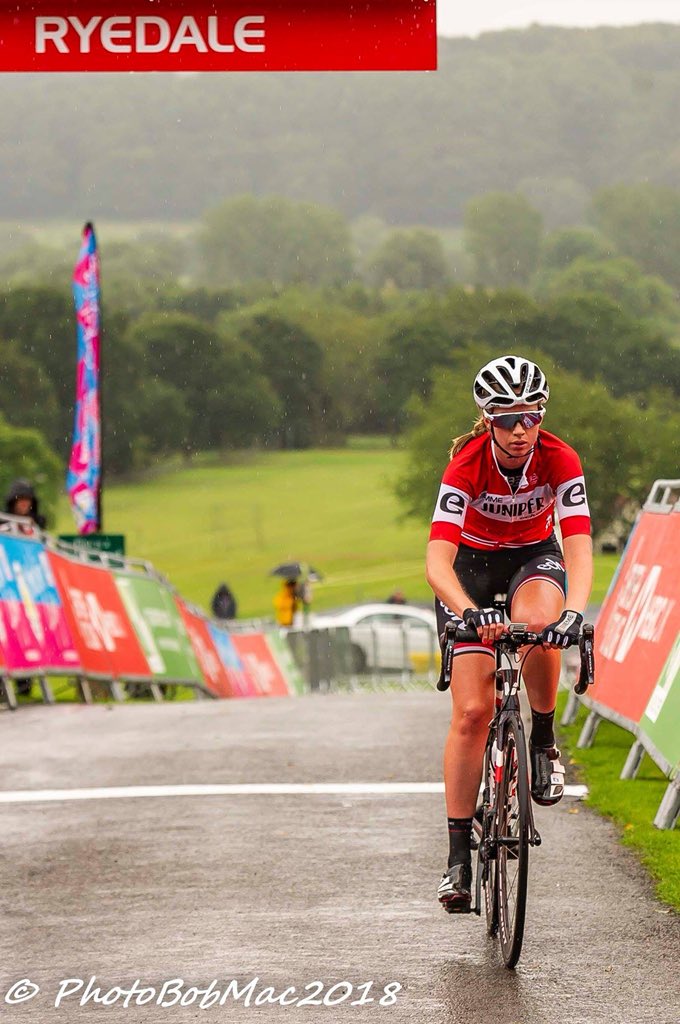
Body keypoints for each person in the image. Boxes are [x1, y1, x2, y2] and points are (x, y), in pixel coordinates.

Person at [425, 355, 592, 914]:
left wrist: (578, 610)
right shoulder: (466, 464)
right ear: (487, 420)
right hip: (469, 568)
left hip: (532, 559)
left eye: (531, 417)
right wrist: (467, 613)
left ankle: (542, 738)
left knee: (544, 625)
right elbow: (437, 562)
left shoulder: (559, 458)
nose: (520, 430)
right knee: (473, 713)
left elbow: (579, 547)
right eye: (507, 419)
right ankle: (456, 859)